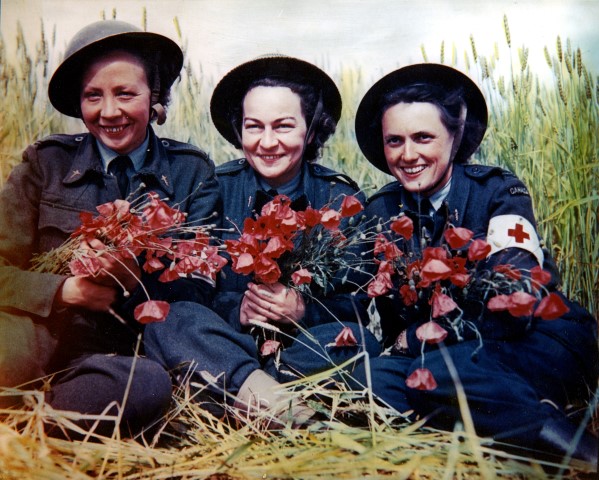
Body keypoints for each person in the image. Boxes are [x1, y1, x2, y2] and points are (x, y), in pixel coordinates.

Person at [350, 63, 598, 464]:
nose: (407, 155)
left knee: (445, 372)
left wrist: (414, 339)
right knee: (369, 380)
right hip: (446, 362)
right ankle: (518, 419)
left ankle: (580, 453)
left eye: (423, 137)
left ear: (455, 134)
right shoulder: (380, 210)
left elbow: (514, 303)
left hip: (536, 339)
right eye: (394, 140)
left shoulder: (500, 191)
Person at [0, 20, 221, 439]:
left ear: (154, 98)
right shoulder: (44, 164)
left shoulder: (191, 172)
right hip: (37, 338)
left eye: (126, 94)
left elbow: (200, 287)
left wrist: (132, 277)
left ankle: (28, 427)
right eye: (93, 96)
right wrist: (65, 291)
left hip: (119, 358)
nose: (109, 112)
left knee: (147, 385)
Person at [145, 55, 380, 426]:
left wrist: (302, 310)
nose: (267, 143)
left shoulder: (340, 198)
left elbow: (357, 302)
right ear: (239, 130)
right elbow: (188, 291)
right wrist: (238, 308)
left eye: (283, 127)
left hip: (301, 351)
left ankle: (240, 397)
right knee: (170, 320)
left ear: (311, 129)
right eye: (254, 127)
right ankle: (288, 411)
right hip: (226, 341)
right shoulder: (213, 187)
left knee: (359, 340)